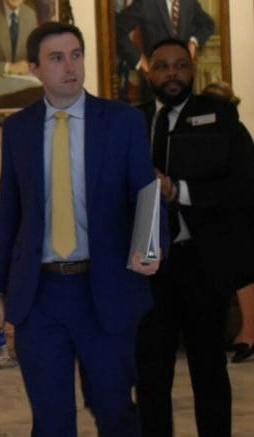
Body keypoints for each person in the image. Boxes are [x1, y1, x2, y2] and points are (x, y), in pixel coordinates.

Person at [0, 21, 165, 436]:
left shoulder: (121, 121)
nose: (70, 66)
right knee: (51, 420)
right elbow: (10, 212)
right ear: (35, 68)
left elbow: (146, 194)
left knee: (114, 410)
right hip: (41, 295)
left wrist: (152, 249)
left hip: (104, 289)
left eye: (76, 55)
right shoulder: (19, 129)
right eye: (57, 58)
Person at [135, 38, 254, 437]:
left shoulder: (220, 117)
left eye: (180, 66)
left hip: (202, 263)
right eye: (162, 66)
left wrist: (180, 192)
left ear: (193, 70)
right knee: (151, 373)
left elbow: (244, 186)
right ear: (148, 71)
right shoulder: (130, 121)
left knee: (208, 370)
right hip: (149, 267)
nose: (172, 74)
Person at [201, 82, 254, 364]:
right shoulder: (228, 132)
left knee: (242, 273)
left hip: (237, 215)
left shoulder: (233, 133)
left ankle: (249, 333)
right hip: (228, 215)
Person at [116, 0, 214, 73]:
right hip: (155, 78)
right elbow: (118, 29)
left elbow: (208, 24)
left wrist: (194, 42)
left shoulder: (189, 2)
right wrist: (138, 61)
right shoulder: (145, 2)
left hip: (184, 77)